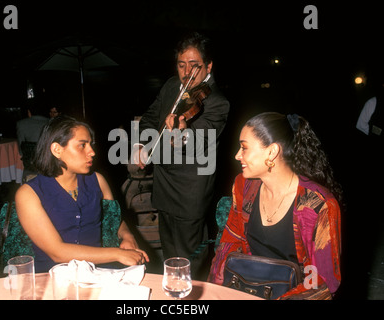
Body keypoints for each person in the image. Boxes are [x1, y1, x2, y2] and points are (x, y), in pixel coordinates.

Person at [208, 112, 342, 299]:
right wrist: (215, 290)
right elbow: (231, 240)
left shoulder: (317, 205)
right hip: (246, 287)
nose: (237, 155)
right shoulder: (244, 186)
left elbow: (322, 281)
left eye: (244, 148)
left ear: (271, 152)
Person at [132, 32, 230, 279]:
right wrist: (142, 144)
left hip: (189, 192)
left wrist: (183, 133)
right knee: (169, 256)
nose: (187, 72)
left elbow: (200, 142)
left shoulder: (217, 102)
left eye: (194, 65)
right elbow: (149, 119)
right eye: (181, 64)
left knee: (190, 260)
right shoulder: (170, 87)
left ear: (208, 66)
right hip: (164, 187)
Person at [15, 115, 149, 272]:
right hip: (52, 274)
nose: (92, 152)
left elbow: (113, 218)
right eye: (82, 145)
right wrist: (117, 254)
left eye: (91, 145)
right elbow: (57, 252)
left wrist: (127, 235)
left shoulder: (98, 181)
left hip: (99, 271)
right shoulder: (28, 194)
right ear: (57, 149)